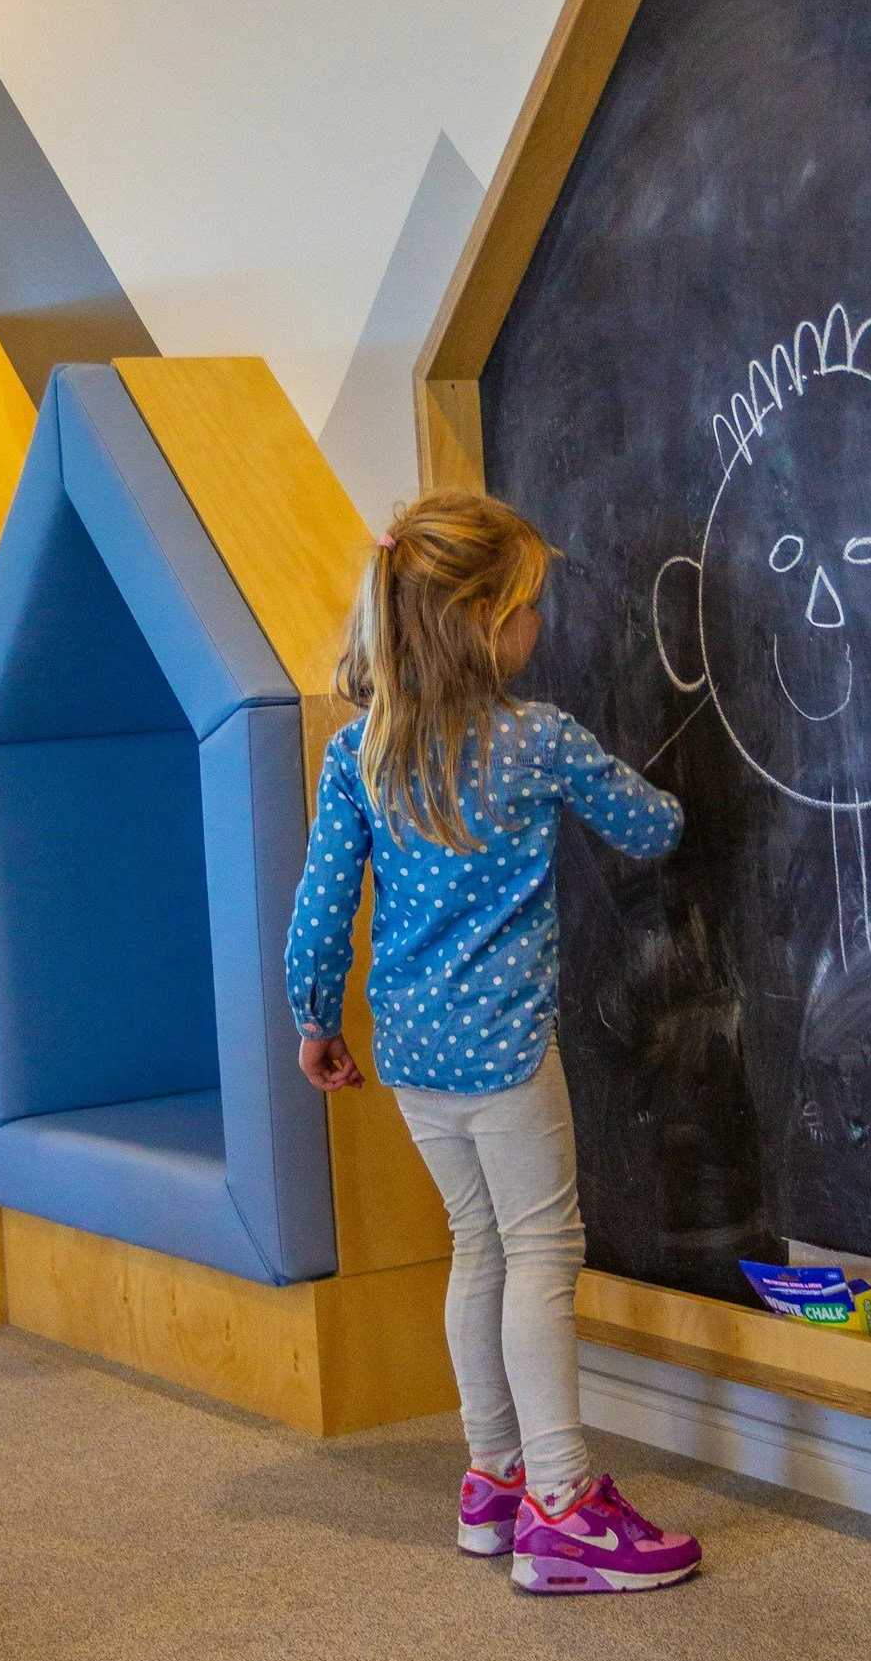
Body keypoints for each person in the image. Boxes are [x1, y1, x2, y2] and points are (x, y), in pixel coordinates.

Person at [285, 489, 701, 1595]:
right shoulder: (535, 740)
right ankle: (562, 1504)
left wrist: (313, 1019)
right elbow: (650, 827)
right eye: (524, 608)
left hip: (413, 1053)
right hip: (508, 1052)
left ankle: (494, 1480)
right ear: (477, 620)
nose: (537, 627)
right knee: (542, 1252)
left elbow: (319, 911)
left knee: (476, 1245)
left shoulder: (357, 754)